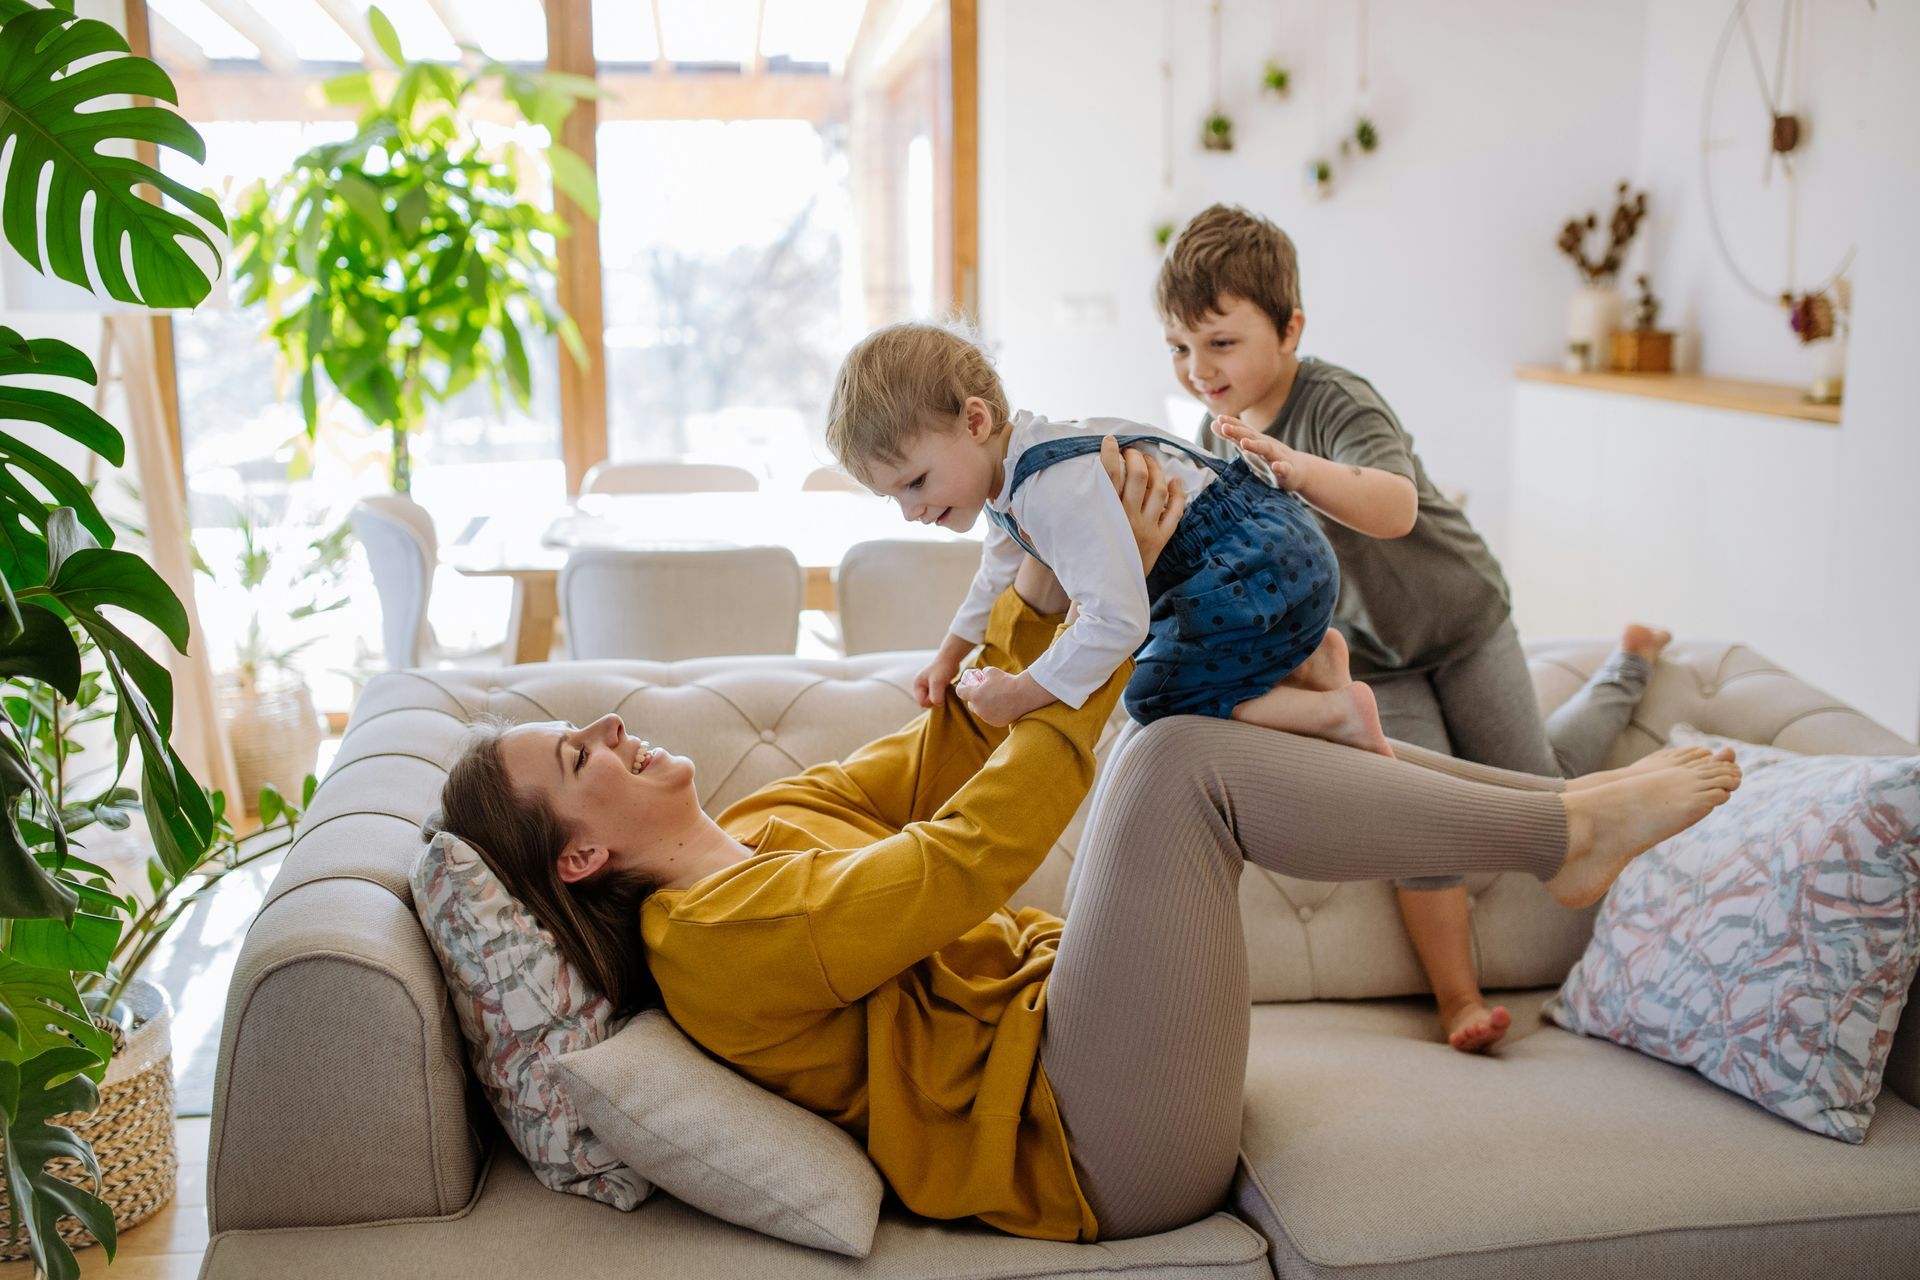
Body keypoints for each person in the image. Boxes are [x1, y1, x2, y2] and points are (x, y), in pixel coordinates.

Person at [434, 447, 1740, 1243]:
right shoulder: (714, 944)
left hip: (1103, 1042)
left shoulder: (764, 823)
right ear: (581, 862)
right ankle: (1559, 829)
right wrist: (1107, 643)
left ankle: (1556, 825)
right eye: (574, 759)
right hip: (1098, 1147)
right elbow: (961, 863)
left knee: (1178, 735)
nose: (605, 727)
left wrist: (1048, 597)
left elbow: (944, 758)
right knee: (1168, 751)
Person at [1157, 203, 1672, 1053]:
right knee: (1424, 817)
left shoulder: (1334, 399)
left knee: (1536, 786)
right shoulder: (1210, 437)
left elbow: (1392, 508)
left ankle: (1627, 664)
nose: (1197, 368)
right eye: (1179, 347)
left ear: (1289, 330)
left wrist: (1290, 465)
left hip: (1461, 617)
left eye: (1220, 343)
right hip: (1377, 660)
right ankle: (1458, 1001)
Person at [823, 320, 1393, 758]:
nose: (910, 511)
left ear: (975, 422)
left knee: (1152, 697)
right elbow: (993, 577)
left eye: (915, 483)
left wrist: (1023, 691)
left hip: (1253, 566)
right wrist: (950, 656)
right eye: (893, 497)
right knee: (1164, 661)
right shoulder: (1011, 476)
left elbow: (1117, 621)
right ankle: (1316, 660)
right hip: (1269, 552)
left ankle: (1338, 714)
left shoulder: (1052, 491)